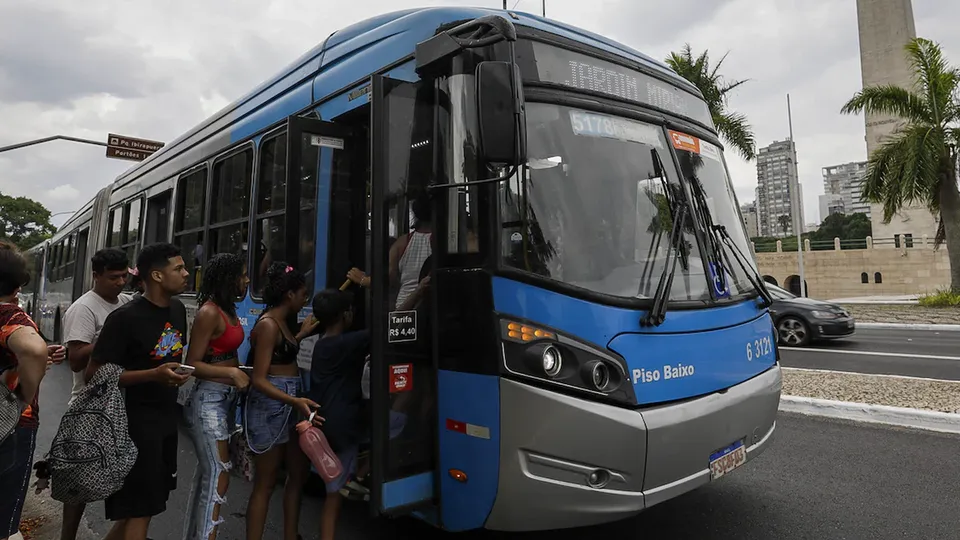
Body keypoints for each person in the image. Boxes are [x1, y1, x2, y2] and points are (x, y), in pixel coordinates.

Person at [84, 243, 193, 540]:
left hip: (166, 421)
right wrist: (153, 375)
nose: (187, 274)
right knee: (140, 507)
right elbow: (93, 373)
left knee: (145, 505)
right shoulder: (124, 318)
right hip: (132, 425)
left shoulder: (178, 309)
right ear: (156, 276)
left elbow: (168, 358)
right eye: (179, 269)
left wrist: (173, 374)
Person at [57, 248, 131, 540]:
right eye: (113, 277)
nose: (121, 282)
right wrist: (109, 336)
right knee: (79, 483)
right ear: (96, 275)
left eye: (125, 276)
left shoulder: (126, 303)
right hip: (88, 406)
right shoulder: (84, 309)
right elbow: (75, 358)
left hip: (121, 403)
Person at [244, 262, 321, 540]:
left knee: (298, 475)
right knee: (266, 482)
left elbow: (283, 355)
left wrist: (301, 335)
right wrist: (294, 400)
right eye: (303, 294)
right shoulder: (268, 325)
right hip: (273, 404)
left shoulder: (282, 323)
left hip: (290, 400)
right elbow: (260, 379)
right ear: (289, 295)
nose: (304, 300)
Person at [181, 253, 251, 540]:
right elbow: (191, 364)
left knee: (209, 476)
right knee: (218, 473)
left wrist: (239, 371)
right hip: (208, 401)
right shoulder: (210, 313)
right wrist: (233, 374)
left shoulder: (229, 310)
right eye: (243, 275)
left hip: (226, 400)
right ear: (228, 279)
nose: (247, 280)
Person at [0, 241, 64, 540]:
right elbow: (33, 351)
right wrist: (23, 392)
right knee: (6, 520)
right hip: (12, 424)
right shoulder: (11, 317)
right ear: (17, 284)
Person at [306, 289, 369, 540]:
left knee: (332, 497)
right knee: (398, 421)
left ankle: (357, 474)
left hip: (325, 423)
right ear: (345, 315)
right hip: (344, 427)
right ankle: (359, 474)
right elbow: (390, 324)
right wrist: (418, 292)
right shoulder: (347, 343)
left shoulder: (323, 343)